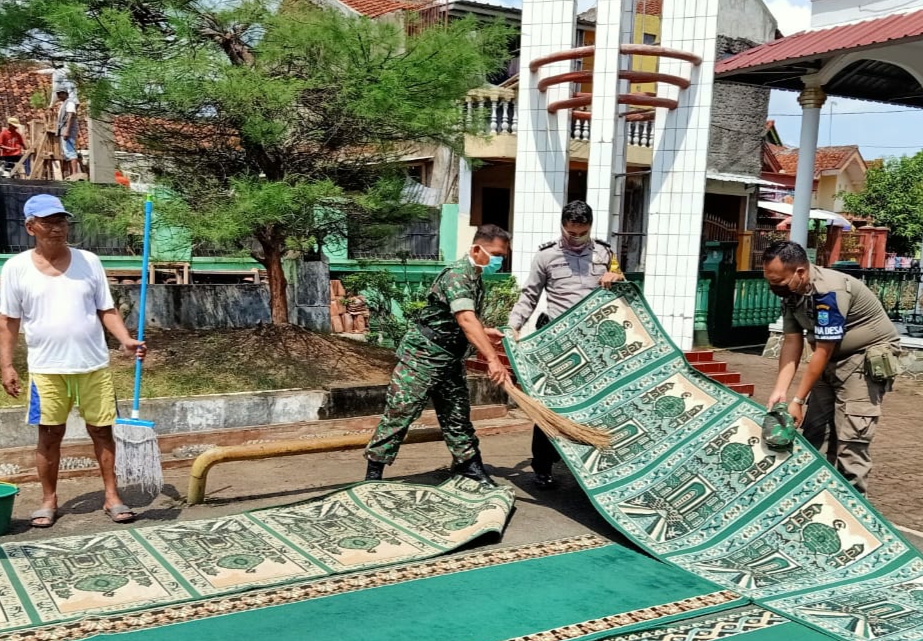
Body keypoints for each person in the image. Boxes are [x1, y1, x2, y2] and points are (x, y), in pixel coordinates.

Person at [0, 194, 147, 528]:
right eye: (49, 222)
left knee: (102, 432)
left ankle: (112, 496)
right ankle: (49, 500)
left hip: (93, 365)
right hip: (46, 370)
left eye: (62, 221)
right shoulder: (15, 269)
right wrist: (6, 365)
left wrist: (125, 340)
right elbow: (7, 321)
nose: (58, 229)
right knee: (49, 435)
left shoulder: (88, 261)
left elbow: (106, 309)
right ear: (30, 226)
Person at [364, 224, 512, 486]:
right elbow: (466, 319)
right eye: (495, 253)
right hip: (423, 357)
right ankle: (373, 475)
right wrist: (492, 359)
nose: (498, 260)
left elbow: (461, 320)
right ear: (476, 249)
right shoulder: (457, 275)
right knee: (401, 413)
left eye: (503, 255)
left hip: (450, 359)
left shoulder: (475, 276)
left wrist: (485, 331)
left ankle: (469, 466)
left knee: (457, 415)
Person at [762, 240, 900, 495]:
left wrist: (797, 399)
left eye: (778, 282)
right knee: (816, 432)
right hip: (830, 359)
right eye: (769, 281)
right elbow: (792, 341)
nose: (774, 287)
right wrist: (780, 392)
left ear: (800, 272)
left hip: (863, 360)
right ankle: (814, 499)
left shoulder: (829, 291)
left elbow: (823, 349)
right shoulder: (792, 293)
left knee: (851, 440)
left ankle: (854, 513)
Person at [507, 200, 624, 489]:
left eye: (582, 234)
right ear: (562, 226)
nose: (576, 239)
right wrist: (513, 326)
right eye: (571, 233)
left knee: (596, 405)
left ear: (590, 228)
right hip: (556, 342)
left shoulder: (604, 253)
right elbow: (529, 296)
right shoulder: (546, 256)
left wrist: (617, 276)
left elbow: (622, 287)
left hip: (595, 342)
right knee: (550, 404)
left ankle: (592, 464)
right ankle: (543, 466)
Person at [56, 89, 80, 176]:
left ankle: (74, 173)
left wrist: (67, 131)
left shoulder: (70, 103)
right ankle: (70, 173)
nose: (58, 96)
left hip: (67, 129)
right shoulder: (63, 104)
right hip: (63, 129)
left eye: (59, 94)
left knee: (70, 150)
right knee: (66, 152)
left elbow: (70, 117)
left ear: (65, 94)